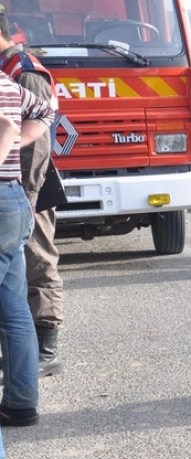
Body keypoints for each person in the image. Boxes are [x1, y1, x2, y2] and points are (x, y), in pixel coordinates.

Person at [0, 12, 64, 378]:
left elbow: (39, 137)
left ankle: (46, 348)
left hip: (25, 185)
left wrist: (28, 193)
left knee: (39, 262)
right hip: (12, 184)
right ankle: (19, 349)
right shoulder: (7, 66)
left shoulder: (24, 69)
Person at [0, 70, 56, 427]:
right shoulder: (6, 83)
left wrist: (12, 138)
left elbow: (6, 124)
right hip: (13, 201)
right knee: (14, 307)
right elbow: (47, 110)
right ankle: (21, 403)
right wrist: (22, 139)